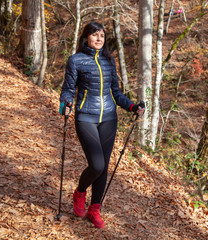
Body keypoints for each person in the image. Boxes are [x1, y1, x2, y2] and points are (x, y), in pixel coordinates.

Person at [59, 22, 144, 228]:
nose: (99, 39)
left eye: (102, 36)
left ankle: (94, 209)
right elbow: (68, 89)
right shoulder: (76, 60)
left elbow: (115, 92)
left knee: (104, 167)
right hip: (86, 116)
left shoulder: (108, 60)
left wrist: (132, 106)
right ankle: (80, 192)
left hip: (108, 118)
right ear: (86, 37)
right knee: (96, 164)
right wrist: (65, 104)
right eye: (95, 35)